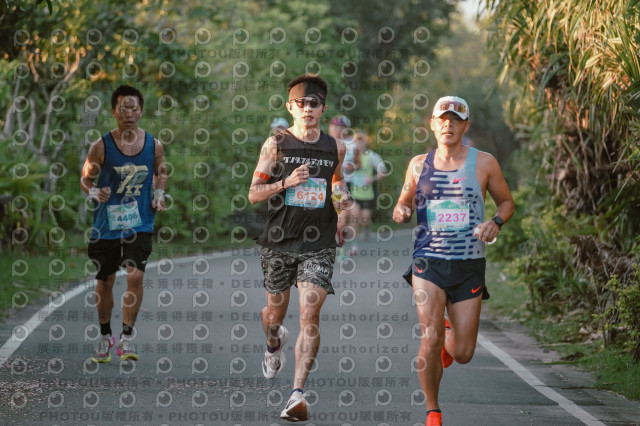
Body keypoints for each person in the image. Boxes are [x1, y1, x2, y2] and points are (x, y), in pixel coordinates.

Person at [392, 96, 514, 426]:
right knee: (428, 337)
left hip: (468, 263)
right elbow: (404, 200)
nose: (448, 124)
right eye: (442, 119)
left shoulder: (484, 163)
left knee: (463, 353)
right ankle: (433, 411)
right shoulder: (418, 164)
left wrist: (495, 222)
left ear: (465, 126)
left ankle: (450, 335)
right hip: (428, 261)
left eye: (456, 120)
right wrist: (401, 210)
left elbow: (506, 203)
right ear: (432, 124)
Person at [248, 74, 350, 422]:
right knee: (273, 316)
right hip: (278, 242)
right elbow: (254, 194)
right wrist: (286, 182)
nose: (308, 108)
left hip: (318, 243)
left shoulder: (336, 148)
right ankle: (273, 341)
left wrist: (343, 207)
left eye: (314, 103)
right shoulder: (275, 144)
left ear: (323, 108)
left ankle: (296, 394)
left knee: (310, 312)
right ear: (290, 107)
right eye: (301, 103)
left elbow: (337, 184)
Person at [81, 85, 168, 363]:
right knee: (105, 280)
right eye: (123, 108)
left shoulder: (153, 145)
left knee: (135, 276)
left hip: (139, 221)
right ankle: (105, 336)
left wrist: (159, 194)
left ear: (141, 111)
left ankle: (127, 337)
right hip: (106, 224)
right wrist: (95, 191)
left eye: (134, 108)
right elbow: (85, 178)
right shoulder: (101, 146)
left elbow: (161, 172)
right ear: (113, 112)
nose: (129, 113)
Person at [348, 130, 387, 252]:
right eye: (356, 141)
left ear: (366, 142)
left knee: (364, 219)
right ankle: (354, 245)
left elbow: (383, 171)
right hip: (354, 193)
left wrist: (373, 178)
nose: (359, 143)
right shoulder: (350, 155)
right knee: (354, 218)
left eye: (361, 141)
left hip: (368, 194)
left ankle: (366, 227)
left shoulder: (372, 156)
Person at [328, 114, 357, 247]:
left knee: (342, 218)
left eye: (340, 127)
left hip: (342, 184)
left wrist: (353, 167)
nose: (336, 129)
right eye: (334, 126)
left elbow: (361, 163)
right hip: (324, 184)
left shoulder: (352, 145)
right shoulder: (323, 142)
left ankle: (340, 246)